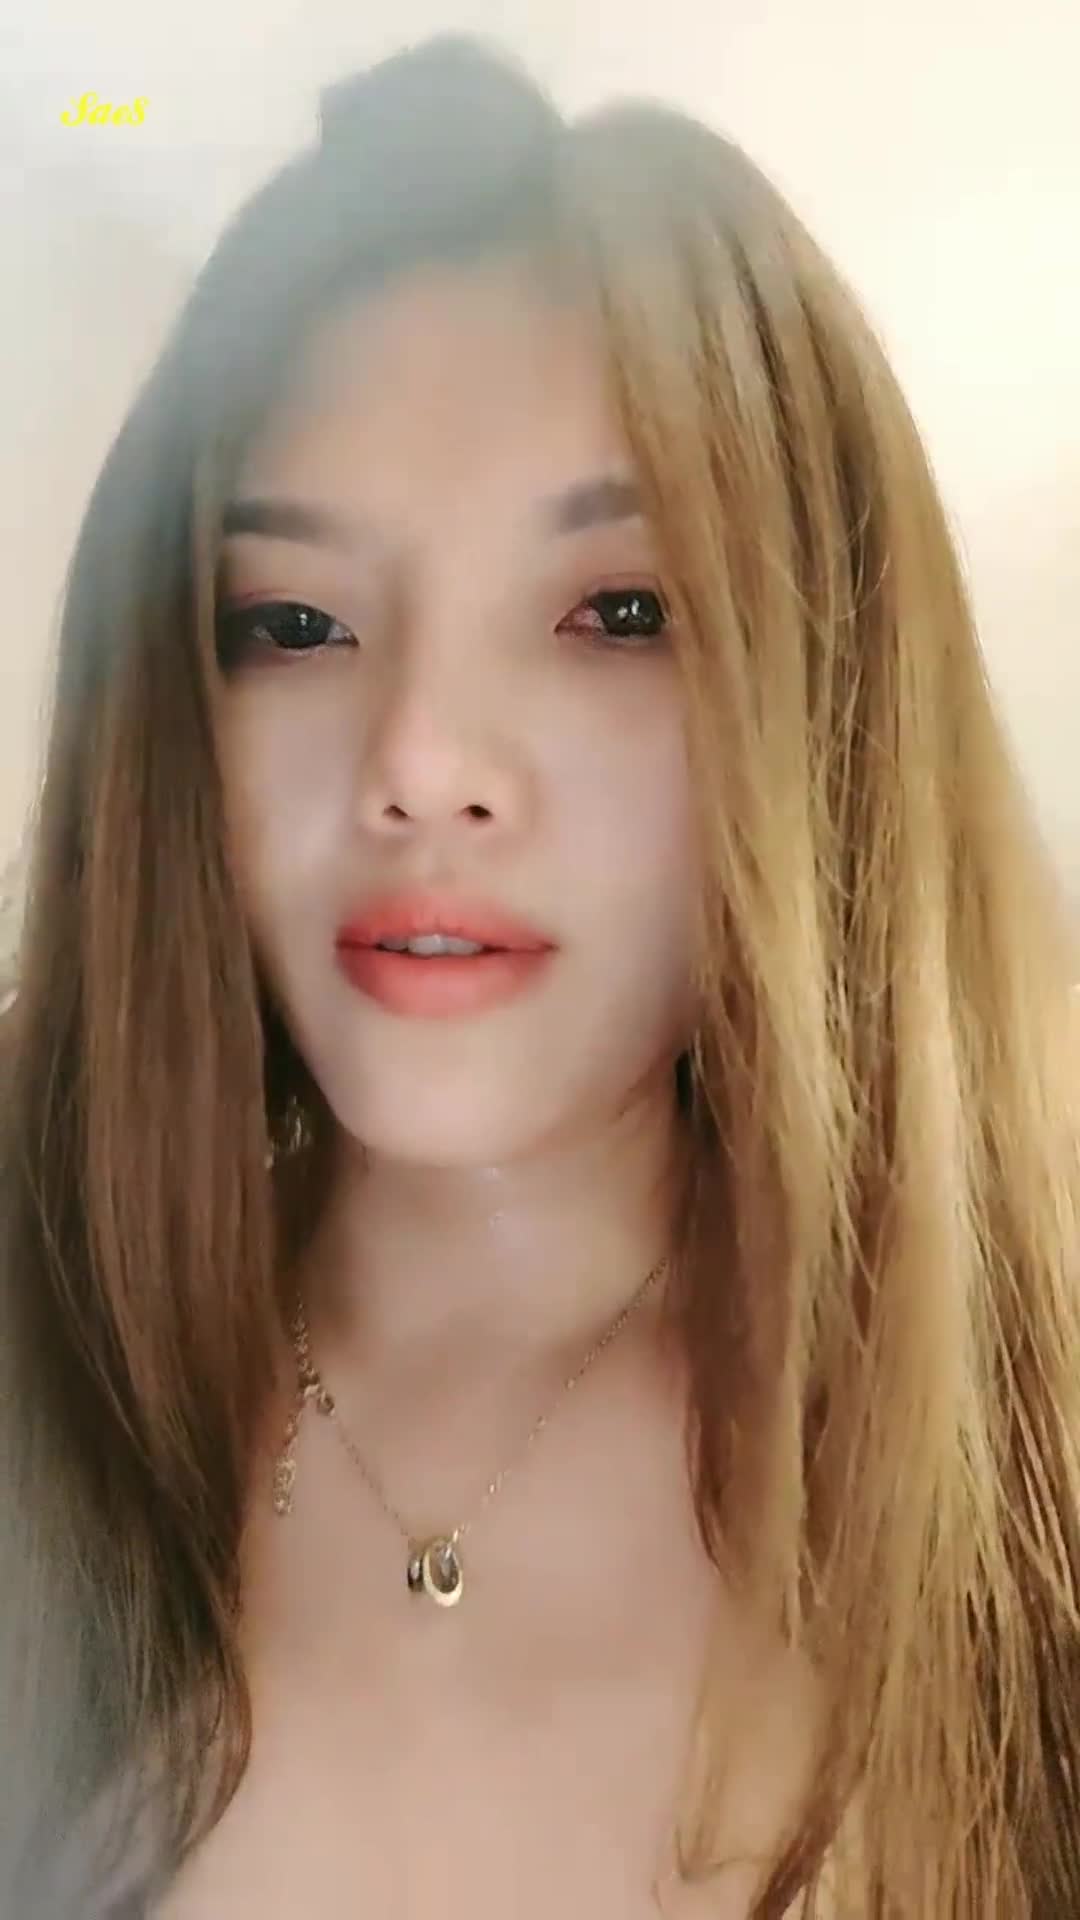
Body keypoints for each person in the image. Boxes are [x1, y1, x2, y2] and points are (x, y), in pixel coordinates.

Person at [2, 33, 1078, 1920]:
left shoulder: (1022, 1478)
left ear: (827, 688)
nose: (422, 759)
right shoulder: (41, 1367)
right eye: (295, 622)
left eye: (617, 613)